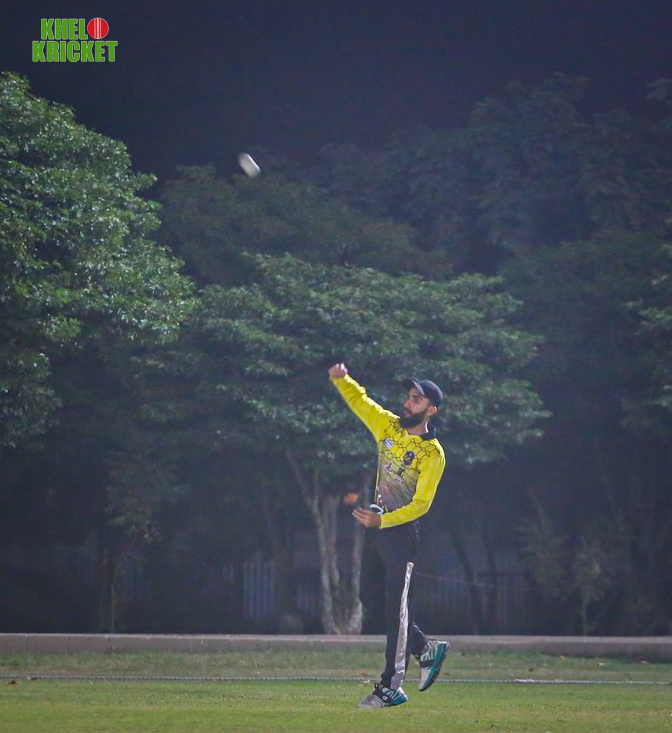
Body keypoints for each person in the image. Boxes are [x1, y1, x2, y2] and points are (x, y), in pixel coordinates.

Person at [328, 362, 449, 709]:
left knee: (397, 611)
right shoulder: (389, 426)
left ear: (431, 409)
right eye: (409, 397)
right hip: (377, 527)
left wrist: (385, 521)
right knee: (368, 596)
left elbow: (421, 504)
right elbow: (362, 403)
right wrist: (342, 380)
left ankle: (391, 687)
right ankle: (425, 647)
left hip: (399, 534)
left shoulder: (433, 453)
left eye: (416, 400)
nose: (408, 404)